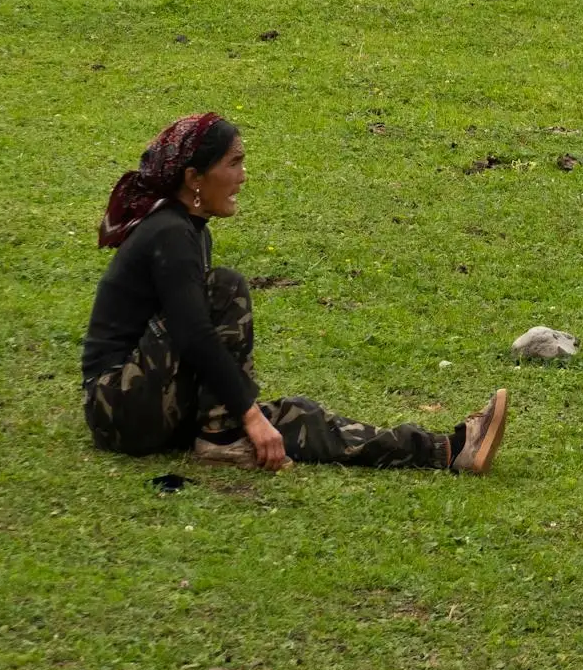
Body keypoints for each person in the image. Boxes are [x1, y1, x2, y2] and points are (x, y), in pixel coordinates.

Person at [81, 112, 509, 474]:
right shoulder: (168, 233)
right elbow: (193, 335)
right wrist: (248, 415)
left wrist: (252, 416)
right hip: (119, 407)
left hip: (159, 401)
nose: (243, 176)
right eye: (234, 163)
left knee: (298, 417)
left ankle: (448, 450)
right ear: (194, 177)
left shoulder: (191, 232)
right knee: (225, 289)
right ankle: (222, 436)